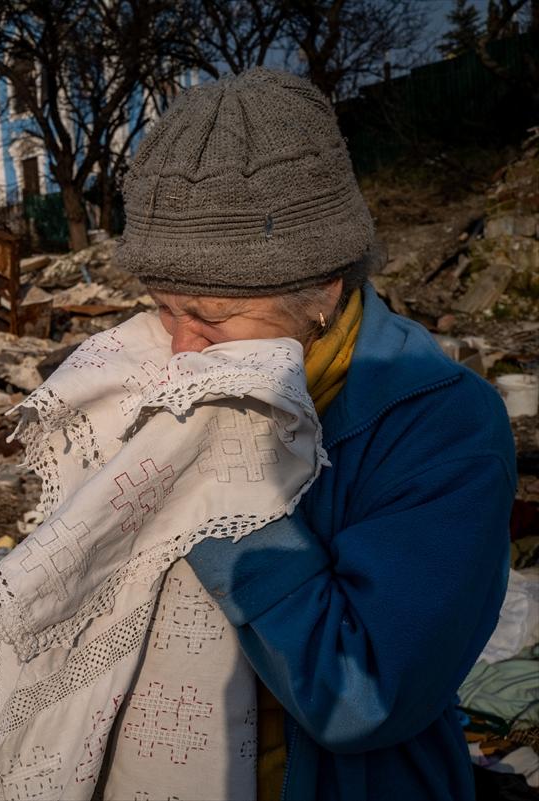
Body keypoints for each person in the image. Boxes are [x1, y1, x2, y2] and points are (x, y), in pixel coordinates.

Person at [113, 67, 516, 800]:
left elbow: (361, 695)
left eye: (207, 314)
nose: (179, 349)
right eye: (162, 308)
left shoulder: (442, 428)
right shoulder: (185, 366)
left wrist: (216, 500)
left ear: (322, 289)